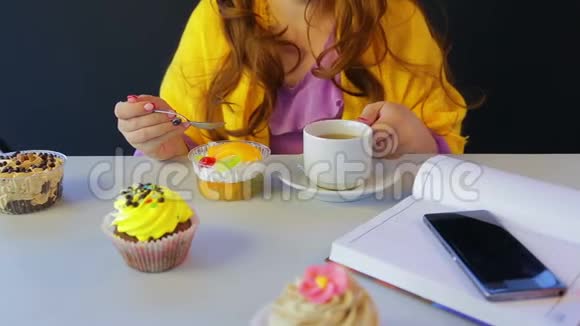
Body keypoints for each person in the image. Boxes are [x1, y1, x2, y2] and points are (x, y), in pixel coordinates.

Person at [115, 0, 468, 160]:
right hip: (246, 227)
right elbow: (189, 144)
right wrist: (164, 143)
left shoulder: (395, 16)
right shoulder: (216, 17)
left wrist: (419, 142)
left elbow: (442, 152)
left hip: (364, 225)